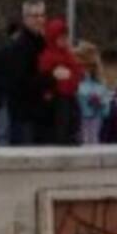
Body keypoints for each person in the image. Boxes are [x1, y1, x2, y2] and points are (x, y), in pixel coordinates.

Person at [6, 0, 49, 146]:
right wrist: (50, 78)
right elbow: (20, 83)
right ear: (25, 19)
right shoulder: (19, 46)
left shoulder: (44, 43)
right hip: (24, 116)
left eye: (42, 15)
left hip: (42, 115)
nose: (39, 19)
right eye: (34, 16)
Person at [37, 18, 83, 146]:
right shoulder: (47, 56)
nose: (64, 40)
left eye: (65, 37)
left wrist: (70, 78)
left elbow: (77, 73)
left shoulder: (68, 55)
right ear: (53, 38)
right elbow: (44, 79)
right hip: (55, 103)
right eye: (61, 37)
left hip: (70, 99)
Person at [75, 41, 113, 145]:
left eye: (89, 65)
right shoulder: (76, 77)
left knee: (93, 140)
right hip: (80, 118)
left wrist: (101, 102)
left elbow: (106, 100)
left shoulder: (98, 79)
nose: (86, 68)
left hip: (95, 117)